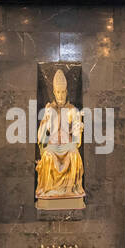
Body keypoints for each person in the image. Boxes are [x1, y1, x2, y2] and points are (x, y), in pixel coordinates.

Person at [35, 69, 85, 200]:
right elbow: (42, 139)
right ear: (54, 92)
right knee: (47, 155)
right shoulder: (49, 109)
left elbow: (75, 139)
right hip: (52, 146)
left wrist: (77, 127)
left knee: (74, 153)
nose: (61, 96)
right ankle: (49, 189)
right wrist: (47, 121)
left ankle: (70, 189)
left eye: (63, 92)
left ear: (66, 92)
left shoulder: (72, 110)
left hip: (67, 145)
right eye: (58, 92)